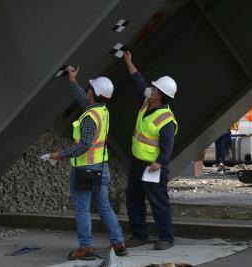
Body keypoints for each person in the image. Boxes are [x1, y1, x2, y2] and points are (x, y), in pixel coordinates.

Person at [49, 66, 127, 260]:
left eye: (90, 88)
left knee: (83, 209)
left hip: (85, 170)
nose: (88, 90)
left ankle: (86, 248)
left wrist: (60, 154)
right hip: (101, 168)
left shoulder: (90, 118)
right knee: (104, 207)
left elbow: (83, 146)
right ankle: (118, 243)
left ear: (94, 92)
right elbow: (86, 100)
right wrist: (73, 81)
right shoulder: (102, 110)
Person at [123, 51, 178, 250]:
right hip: (138, 163)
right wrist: (129, 62)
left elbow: (168, 146)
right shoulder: (149, 101)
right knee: (133, 199)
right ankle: (140, 235)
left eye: (156, 90)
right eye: (153, 88)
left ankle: (167, 238)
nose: (152, 91)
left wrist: (160, 163)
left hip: (153, 167)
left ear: (162, 96)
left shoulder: (166, 120)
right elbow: (139, 82)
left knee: (158, 202)